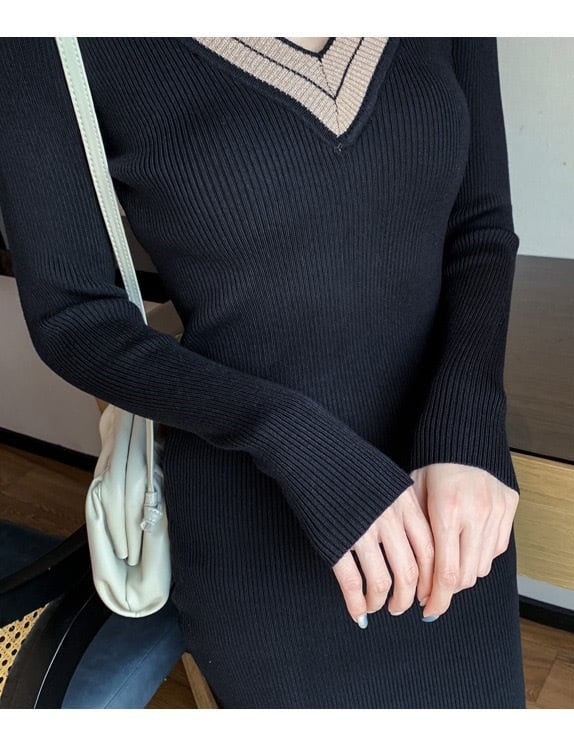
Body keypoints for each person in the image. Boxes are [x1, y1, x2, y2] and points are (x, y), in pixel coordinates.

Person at [0, 36, 524, 708]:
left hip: (451, 501)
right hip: (258, 521)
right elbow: (76, 320)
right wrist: (293, 438)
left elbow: (480, 227)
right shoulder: (47, 38)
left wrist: (468, 424)